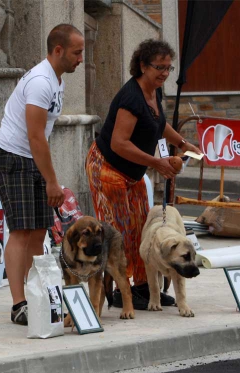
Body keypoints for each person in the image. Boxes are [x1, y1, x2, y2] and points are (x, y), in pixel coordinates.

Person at [85, 39, 202, 310]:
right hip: (107, 169)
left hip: (132, 172)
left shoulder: (155, 91)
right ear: (142, 65)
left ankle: (142, 287)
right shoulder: (131, 98)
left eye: (168, 68)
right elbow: (119, 143)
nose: (164, 73)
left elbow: (158, 125)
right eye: (158, 67)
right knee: (119, 232)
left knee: (141, 229)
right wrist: (156, 163)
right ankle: (119, 290)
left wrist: (183, 144)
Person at [0, 24, 84, 325]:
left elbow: (41, 138)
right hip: (12, 158)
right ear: (58, 50)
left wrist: (47, 176)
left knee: (40, 230)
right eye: (76, 52)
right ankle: (19, 303)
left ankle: (34, 292)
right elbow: (35, 136)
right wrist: (52, 181)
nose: (80, 58)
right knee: (21, 231)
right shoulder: (41, 81)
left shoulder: (57, 80)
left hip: (31, 160)